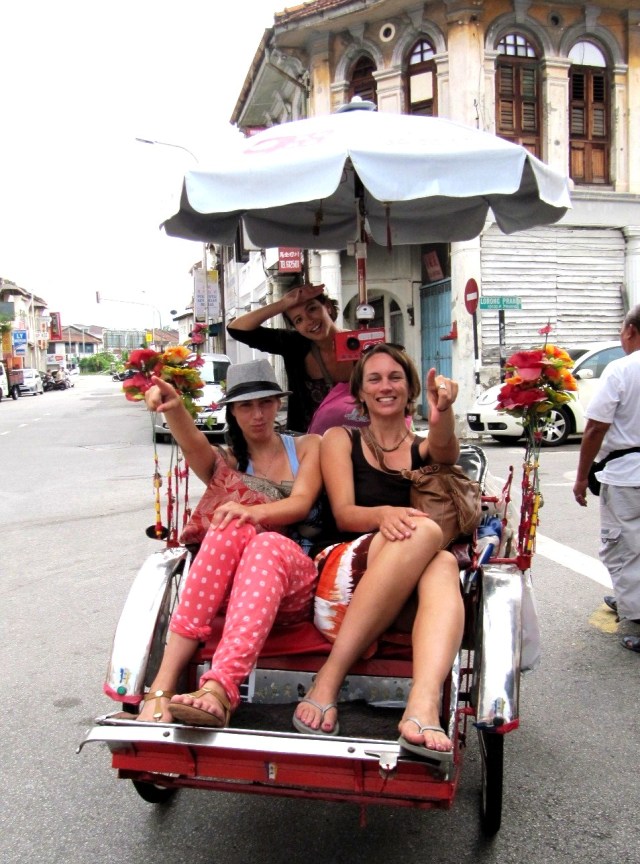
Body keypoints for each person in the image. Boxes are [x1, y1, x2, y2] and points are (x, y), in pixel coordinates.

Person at [292, 344, 465, 762]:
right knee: (425, 532)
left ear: (409, 391)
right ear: (361, 392)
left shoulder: (420, 447)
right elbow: (346, 513)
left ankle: (422, 706)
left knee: (441, 561)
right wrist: (385, 513)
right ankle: (329, 678)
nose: (385, 386)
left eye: (395, 378)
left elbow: (445, 453)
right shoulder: (340, 439)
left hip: (399, 589)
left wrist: (443, 412)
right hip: (341, 573)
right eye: (374, 378)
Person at [136, 359, 323, 725]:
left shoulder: (307, 447)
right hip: (230, 587)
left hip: (292, 583)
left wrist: (254, 513)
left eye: (265, 402)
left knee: (261, 541)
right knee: (230, 525)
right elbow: (193, 445)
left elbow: (300, 504)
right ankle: (161, 687)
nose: (257, 414)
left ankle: (221, 686)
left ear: (277, 404)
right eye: (245, 405)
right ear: (233, 412)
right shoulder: (230, 463)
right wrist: (174, 409)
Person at [573, 305, 640, 653]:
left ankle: (638, 615)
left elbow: (596, 426)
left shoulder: (622, 369)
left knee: (625, 546)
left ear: (629, 330)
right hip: (627, 471)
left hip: (628, 475)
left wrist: (581, 477)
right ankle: (630, 600)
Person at [227, 283, 360, 432]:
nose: (309, 321)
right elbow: (236, 329)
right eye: (298, 320)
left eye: (312, 309)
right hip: (308, 447)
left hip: (363, 444)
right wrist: (283, 304)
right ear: (295, 328)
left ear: (327, 307)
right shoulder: (295, 345)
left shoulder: (364, 345)